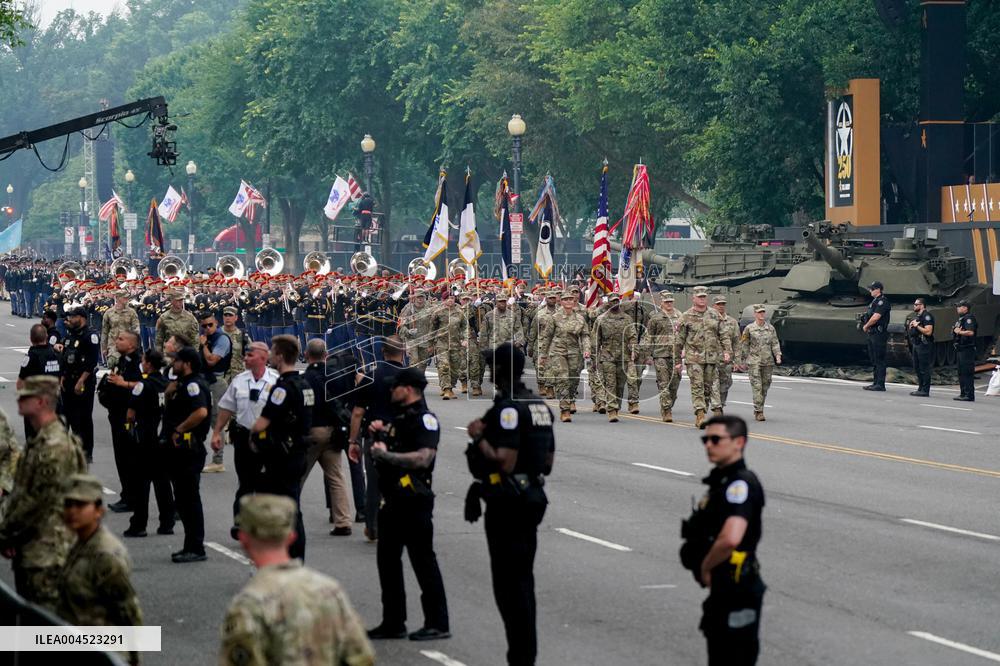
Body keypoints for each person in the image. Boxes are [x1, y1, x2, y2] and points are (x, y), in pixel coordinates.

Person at [465, 343, 554, 666]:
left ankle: (521, 656)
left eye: (493, 367)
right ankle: (523, 653)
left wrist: (479, 438)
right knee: (522, 579)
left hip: (508, 502)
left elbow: (504, 460)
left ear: (500, 370)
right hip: (531, 497)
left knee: (508, 585)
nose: (490, 372)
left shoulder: (509, 408)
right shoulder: (539, 405)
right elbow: (547, 461)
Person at [220, 494, 375, 666]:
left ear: (243, 538)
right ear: (291, 537)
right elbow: (361, 657)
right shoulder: (330, 590)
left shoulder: (248, 605)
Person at [365, 366, 450, 642]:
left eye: (396, 386)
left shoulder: (425, 420)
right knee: (387, 562)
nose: (391, 390)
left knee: (423, 562)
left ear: (410, 389)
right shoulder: (399, 419)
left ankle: (437, 622)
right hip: (392, 501)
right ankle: (393, 621)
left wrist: (386, 455)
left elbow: (423, 458)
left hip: (414, 500)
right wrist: (379, 435)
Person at [680, 415, 765, 666]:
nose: (708, 445)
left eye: (716, 439)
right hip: (724, 586)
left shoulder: (740, 484)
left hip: (737, 586)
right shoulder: (722, 480)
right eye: (705, 439)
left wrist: (706, 566)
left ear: (739, 442)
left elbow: (731, 538)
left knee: (733, 656)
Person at [0, 376, 87, 611]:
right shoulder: (40, 441)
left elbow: (35, 502)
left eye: (25, 396)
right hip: (35, 548)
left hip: (49, 552)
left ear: (41, 402)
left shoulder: (54, 447)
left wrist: (7, 534)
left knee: (45, 629)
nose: (18, 400)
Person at [57, 473, 143, 666]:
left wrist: (133, 659)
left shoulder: (106, 555)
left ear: (98, 510)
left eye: (80, 505)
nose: (72, 511)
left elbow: (128, 613)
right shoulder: (76, 543)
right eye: (68, 504)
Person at [252, 335, 312, 560]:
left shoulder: (283, 388)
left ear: (280, 355)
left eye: (272, 352)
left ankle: (283, 557)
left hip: (282, 456)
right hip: (298, 452)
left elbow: (262, 423)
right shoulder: (304, 384)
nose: (269, 356)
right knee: (294, 508)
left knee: (279, 510)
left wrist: (252, 436)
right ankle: (297, 558)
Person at [212, 341, 279, 539]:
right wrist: (217, 432)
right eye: (246, 355)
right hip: (243, 436)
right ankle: (240, 524)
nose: (246, 358)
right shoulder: (239, 380)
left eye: (250, 355)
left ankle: (265, 524)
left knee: (267, 484)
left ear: (263, 358)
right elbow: (226, 408)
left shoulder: (276, 380)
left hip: (268, 439)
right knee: (246, 482)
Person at [348, 336, 408, 541]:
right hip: (403, 436)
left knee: (374, 483)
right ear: (404, 351)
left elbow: (357, 412)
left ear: (382, 352)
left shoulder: (371, 376)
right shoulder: (410, 377)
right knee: (403, 480)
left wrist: (352, 441)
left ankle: (372, 526)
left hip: (374, 437)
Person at [301, 338, 354, 536]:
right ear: (326, 355)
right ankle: (343, 520)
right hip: (334, 431)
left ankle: (288, 518)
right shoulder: (336, 376)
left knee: (297, 476)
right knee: (336, 477)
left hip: (314, 430)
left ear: (306, 355)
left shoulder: (305, 378)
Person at [163, 346, 211, 563]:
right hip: (179, 449)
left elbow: (200, 412)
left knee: (189, 499)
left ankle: (196, 546)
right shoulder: (182, 383)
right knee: (183, 500)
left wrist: (180, 429)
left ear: (187, 363)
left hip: (188, 448)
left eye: (177, 361)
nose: (174, 364)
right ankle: (190, 545)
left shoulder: (193, 385)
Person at [125, 349, 175, 537]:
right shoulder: (166, 384)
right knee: (163, 482)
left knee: (141, 483)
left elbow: (130, 413)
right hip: (161, 436)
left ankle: (139, 524)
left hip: (145, 437)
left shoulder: (142, 385)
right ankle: (167, 522)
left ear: (148, 364)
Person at [675, 286, 731, 428]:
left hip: (712, 358)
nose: (702, 299)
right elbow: (679, 340)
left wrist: (727, 351)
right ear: (693, 298)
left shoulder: (714, 315)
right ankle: (700, 415)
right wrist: (677, 361)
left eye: (704, 296)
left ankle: (713, 411)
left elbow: (723, 334)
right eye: (699, 296)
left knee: (711, 387)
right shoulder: (686, 316)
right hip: (694, 359)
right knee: (697, 386)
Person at [103, 331, 144, 515]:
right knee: (121, 459)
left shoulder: (138, 362)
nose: (117, 341)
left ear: (132, 345)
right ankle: (127, 495)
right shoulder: (122, 360)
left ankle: (133, 498)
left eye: (121, 339)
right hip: (116, 415)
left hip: (129, 417)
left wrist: (122, 383)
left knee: (130, 459)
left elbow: (145, 385)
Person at [538, 291, 590, 422]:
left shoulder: (580, 318)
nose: (568, 301)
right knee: (562, 378)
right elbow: (547, 336)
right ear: (560, 301)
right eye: (565, 299)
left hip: (574, 352)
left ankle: (571, 398)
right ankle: (565, 409)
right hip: (557, 352)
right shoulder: (554, 318)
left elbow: (585, 335)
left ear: (574, 302)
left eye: (570, 299)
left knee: (573, 378)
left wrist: (587, 349)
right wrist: (543, 355)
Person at [61, 306, 100, 462]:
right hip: (69, 380)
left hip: (83, 381)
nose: (69, 319)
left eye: (72, 317)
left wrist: (81, 380)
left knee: (83, 417)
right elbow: (66, 357)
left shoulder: (90, 336)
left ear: (81, 318)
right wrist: (63, 376)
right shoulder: (71, 335)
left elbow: (91, 362)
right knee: (68, 416)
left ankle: (86, 452)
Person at [592, 293, 636, 422]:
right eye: (613, 301)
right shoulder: (601, 319)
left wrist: (634, 350)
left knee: (620, 384)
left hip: (623, 357)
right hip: (607, 356)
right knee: (610, 383)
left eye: (617, 301)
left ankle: (617, 406)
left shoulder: (627, 318)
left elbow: (632, 336)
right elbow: (596, 340)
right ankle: (612, 409)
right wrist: (594, 358)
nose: (615, 303)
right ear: (608, 303)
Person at [198, 312, 233, 473]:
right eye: (204, 326)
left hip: (216, 382)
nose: (207, 328)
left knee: (216, 421)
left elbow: (212, 360)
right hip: (204, 381)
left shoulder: (221, 338)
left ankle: (218, 461)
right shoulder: (205, 337)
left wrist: (204, 346)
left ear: (216, 323)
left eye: (210, 325)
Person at [738, 306, 782, 421]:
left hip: (768, 362)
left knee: (765, 387)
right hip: (754, 362)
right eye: (759, 312)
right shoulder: (749, 328)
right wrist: (743, 359)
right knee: (757, 387)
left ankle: (759, 407)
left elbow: (775, 342)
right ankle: (759, 411)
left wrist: (778, 355)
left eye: (763, 312)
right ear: (755, 314)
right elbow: (744, 344)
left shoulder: (770, 328)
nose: (762, 314)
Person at [18, 323, 61, 439]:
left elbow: (20, 384)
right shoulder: (56, 354)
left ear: (31, 339)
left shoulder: (31, 357)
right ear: (46, 337)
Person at [712, 296, 741, 412]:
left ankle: (721, 404)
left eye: (723, 304)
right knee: (713, 385)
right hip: (711, 359)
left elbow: (737, 342)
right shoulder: (709, 320)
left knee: (726, 384)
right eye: (718, 304)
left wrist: (737, 361)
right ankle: (716, 407)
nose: (721, 306)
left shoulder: (732, 322)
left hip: (726, 360)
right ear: (714, 305)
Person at [861, 281, 890, 391]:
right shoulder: (874, 301)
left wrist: (866, 326)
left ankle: (880, 384)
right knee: (874, 359)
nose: (870, 291)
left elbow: (876, 317)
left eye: (872, 289)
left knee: (879, 359)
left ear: (878, 289)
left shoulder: (883, 302)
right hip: (873, 333)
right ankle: (875, 382)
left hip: (879, 333)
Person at [101, 289, 140, 368]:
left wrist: (134, 344)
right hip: (113, 345)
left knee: (128, 368)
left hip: (128, 346)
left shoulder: (131, 312)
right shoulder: (109, 313)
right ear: (118, 298)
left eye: (127, 298)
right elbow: (105, 331)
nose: (127, 299)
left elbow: (136, 329)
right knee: (112, 364)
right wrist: (103, 348)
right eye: (124, 298)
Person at [154, 288, 199, 353]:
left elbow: (195, 337)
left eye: (181, 300)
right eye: (178, 300)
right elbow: (159, 339)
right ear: (172, 301)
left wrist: (194, 354)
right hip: (169, 352)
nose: (180, 303)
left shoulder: (190, 317)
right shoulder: (164, 317)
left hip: (184, 352)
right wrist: (159, 355)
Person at [908, 298, 934, 397]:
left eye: (916, 304)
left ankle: (925, 390)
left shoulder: (927, 316)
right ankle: (920, 387)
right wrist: (912, 326)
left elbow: (928, 331)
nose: (914, 306)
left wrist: (917, 326)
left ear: (922, 305)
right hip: (917, 343)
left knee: (924, 368)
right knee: (917, 367)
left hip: (924, 344)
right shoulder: (918, 316)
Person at [952, 299, 977, 401]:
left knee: (967, 372)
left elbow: (971, 332)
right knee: (961, 372)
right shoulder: (961, 319)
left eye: (959, 306)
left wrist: (959, 332)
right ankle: (963, 393)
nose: (957, 308)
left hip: (967, 349)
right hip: (960, 348)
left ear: (965, 308)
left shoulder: (969, 318)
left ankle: (969, 394)